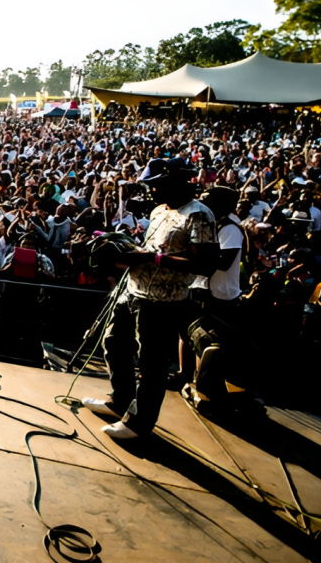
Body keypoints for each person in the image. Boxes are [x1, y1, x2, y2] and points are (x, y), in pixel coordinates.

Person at [84, 158, 217, 440]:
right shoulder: (159, 210)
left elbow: (206, 264)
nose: (152, 191)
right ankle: (119, 401)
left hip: (163, 302)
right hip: (134, 291)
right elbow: (151, 249)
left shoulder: (199, 215)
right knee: (114, 344)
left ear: (175, 183)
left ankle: (139, 423)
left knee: (151, 364)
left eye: (156, 185)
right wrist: (125, 250)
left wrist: (154, 259)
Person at [183, 185, 245, 413]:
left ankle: (205, 387)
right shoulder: (209, 225)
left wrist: (196, 258)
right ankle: (186, 376)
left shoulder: (230, 229)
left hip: (219, 294)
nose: (202, 202)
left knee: (208, 341)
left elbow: (224, 262)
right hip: (200, 289)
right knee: (189, 334)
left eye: (207, 199)